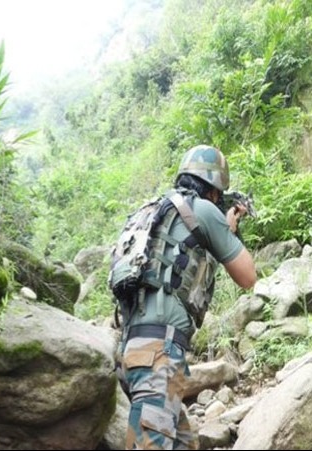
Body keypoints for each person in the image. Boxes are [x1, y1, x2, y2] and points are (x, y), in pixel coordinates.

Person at [117, 144, 256, 450]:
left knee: (182, 441)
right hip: (160, 353)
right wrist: (228, 229)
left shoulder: (156, 211)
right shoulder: (203, 209)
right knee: (149, 444)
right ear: (215, 190)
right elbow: (248, 277)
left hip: (136, 348)